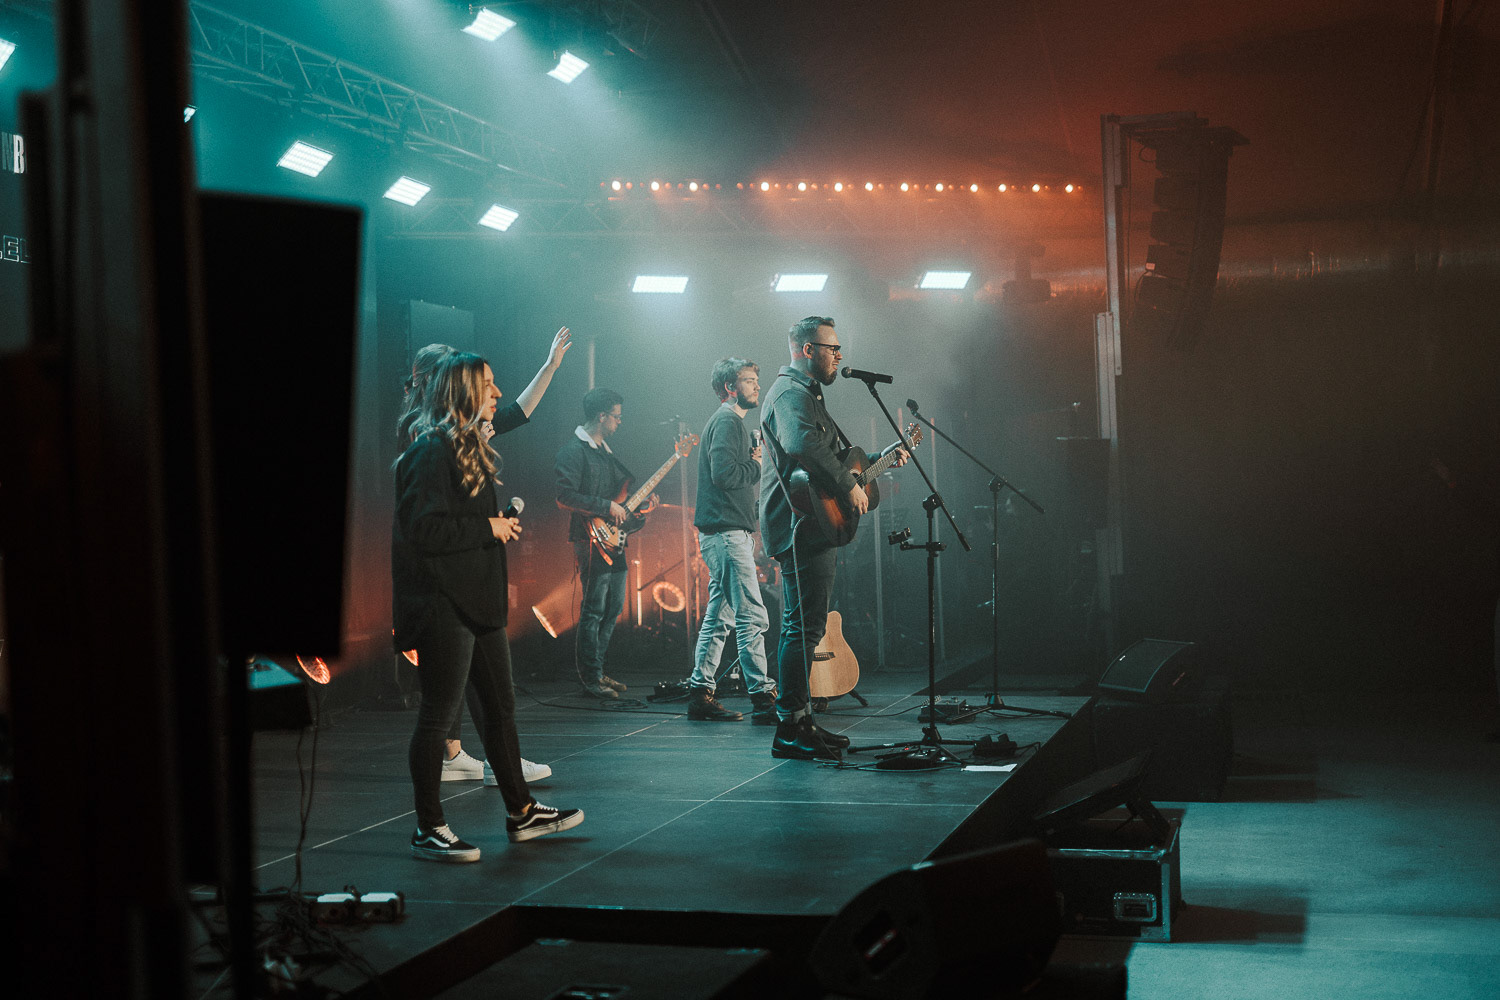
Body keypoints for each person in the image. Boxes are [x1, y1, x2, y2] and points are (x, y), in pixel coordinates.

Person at [393, 348, 583, 862]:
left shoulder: (466, 445)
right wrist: (489, 527)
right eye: (489, 384)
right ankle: (429, 827)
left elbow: (517, 413)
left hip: (478, 602)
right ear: (462, 392)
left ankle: (522, 812)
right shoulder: (429, 450)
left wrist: (492, 529)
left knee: (500, 710)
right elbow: (423, 530)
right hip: (442, 604)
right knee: (437, 716)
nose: (498, 393)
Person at [759, 317, 907, 760]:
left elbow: (831, 456)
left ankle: (803, 720)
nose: (840, 356)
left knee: (808, 626)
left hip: (812, 522)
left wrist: (877, 461)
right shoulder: (789, 394)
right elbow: (803, 445)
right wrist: (848, 485)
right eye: (832, 348)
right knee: (802, 627)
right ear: (807, 350)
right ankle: (789, 728)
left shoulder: (806, 394)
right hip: (798, 524)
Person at [686, 358, 777, 724]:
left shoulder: (727, 422)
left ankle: (700, 693)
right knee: (752, 614)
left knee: (720, 616)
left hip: (724, 533)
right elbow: (724, 475)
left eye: (756, 380)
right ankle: (763, 698)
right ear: (730, 387)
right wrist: (757, 464)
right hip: (725, 535)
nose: (757, 386)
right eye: (749, 380)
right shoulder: (727, 422)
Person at [555, 388, 656, 698]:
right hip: (589, 539)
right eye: (616, 416)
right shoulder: (574, 451)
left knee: (612, 608)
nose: (619, 422)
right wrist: (605, 506)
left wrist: (640, 511)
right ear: (601, 416)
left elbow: (620, 503)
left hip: (613, 540)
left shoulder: (606, 452)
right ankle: (590, 678)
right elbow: (564, 496)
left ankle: (597, 672)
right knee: (594, 609)